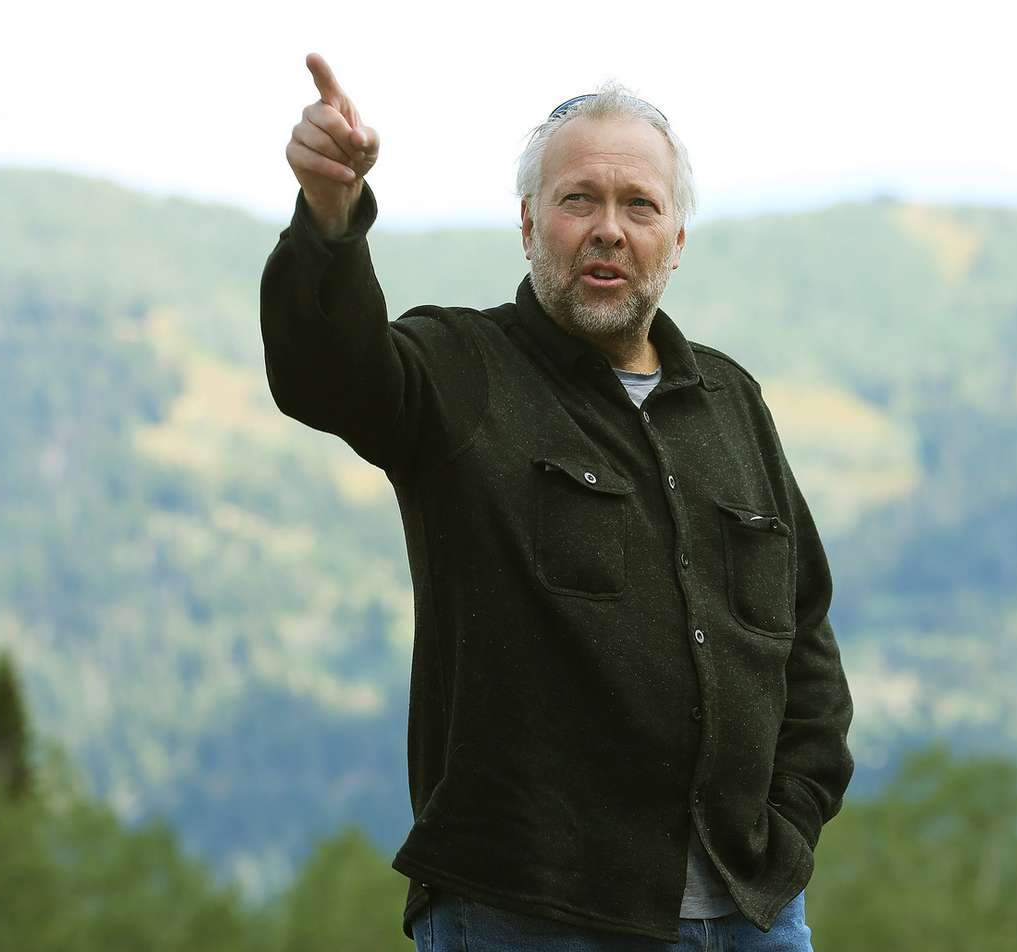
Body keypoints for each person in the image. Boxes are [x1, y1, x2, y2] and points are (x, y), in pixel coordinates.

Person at [261, 52, 855, 951]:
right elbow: (325, 372)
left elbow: (803, 632)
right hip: (526, 918)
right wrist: (329, 215)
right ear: (530, 225)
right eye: (580, 200)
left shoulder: (734, 404)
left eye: (639, 205)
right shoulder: (466, 372)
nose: (609, 229)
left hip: (753, 915)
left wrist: (793, 821)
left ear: (678, 238)